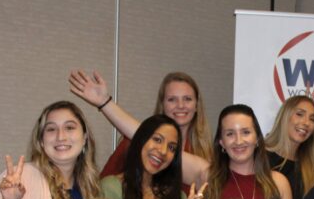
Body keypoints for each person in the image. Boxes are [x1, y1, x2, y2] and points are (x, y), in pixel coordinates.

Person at [68, 69, 211, 177]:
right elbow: (104, 188)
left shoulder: (206, 153)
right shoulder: (131, 143)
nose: (180, 105)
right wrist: (104, 103)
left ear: (197, 105)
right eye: (172, 99)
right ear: (162, 105)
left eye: (187, 99)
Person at [264, 94, 314, 199]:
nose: (306, 123)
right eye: (299, 114)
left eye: (312, 119)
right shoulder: (260, 157)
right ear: (285, 116)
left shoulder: (312, 169)